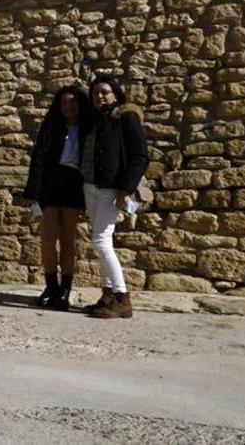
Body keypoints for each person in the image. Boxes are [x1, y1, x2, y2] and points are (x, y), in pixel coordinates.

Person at [81, 74, 149, 319]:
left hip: (111, 189)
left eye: (105, 91)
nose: (100, 96)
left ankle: (122, 296)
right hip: (92, 187)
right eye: (96, 92)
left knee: (100, 240)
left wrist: (125, 189)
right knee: (102, 242)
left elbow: (140, 156)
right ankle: (108, 295)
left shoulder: (126, 117)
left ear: (116, 94)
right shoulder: (97, 120)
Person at [23, 85, 93, 311]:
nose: (68, 106)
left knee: (68, 239)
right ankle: (51, 285)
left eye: (73, 102)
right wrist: (33, 191)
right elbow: (39, 157)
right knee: (47, 237)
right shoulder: (52, 126)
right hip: (51, 184)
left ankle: (65, 288)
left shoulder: (87, 128)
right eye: (64, 102)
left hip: (74, 184)